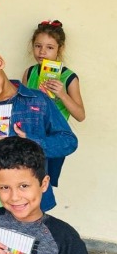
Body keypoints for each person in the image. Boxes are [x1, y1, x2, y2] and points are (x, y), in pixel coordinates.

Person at [0, 40, 78, 226]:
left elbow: (68, 141)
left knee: (19, 243)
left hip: (22, 203)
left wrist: (34, 143)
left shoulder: (37, 101)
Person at [22, 20, 85, 187]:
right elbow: (22, 105)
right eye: (38, 46)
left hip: (54, 139)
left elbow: (80, 115)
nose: (42, 52)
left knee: (45, 184)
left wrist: (62, 94)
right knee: (27, 181)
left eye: (49, 47)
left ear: (59, 49)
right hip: (30, 136)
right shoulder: (30, 72)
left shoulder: (69, 77)